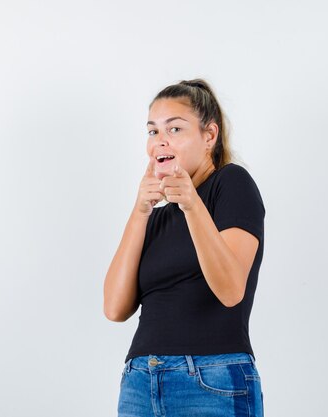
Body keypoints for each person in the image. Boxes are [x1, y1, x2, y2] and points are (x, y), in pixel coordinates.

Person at [103, 78, 266, 417]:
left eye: (174, 129)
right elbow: (115, 308)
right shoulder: (157, 218)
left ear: (209, 136)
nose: (160, 141)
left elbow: (231, 289)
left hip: (211, 380)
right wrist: (140, 210)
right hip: (140, 382)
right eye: (152, 131)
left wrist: (192, 205)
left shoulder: (231, 184)